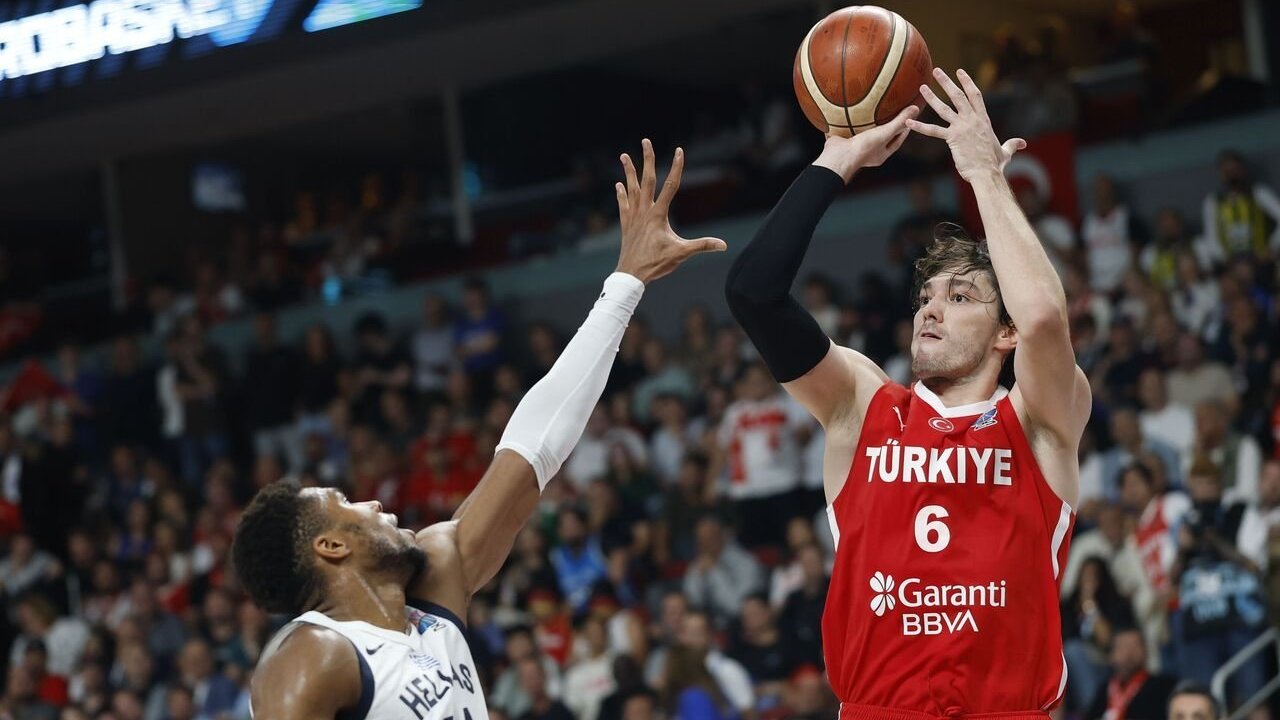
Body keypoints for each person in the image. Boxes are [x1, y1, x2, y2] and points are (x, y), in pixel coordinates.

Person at [234, 139, 725, 720]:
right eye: (346, 503)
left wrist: (626, 283)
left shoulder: (438, 582)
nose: (372, 503)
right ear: (331, 547)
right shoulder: (313, 652)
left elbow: (532, 448)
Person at [726, 68, 1089, 716]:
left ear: (1004, 332)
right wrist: (836, 161)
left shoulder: (1039, 421)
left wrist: (984, 176)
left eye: (960, 297)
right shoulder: (861, 405)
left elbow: (1042, 317)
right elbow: (753, 293)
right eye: (926, 297)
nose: (931, 310)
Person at [1084, 626, 1178, 720]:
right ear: (1111, 655)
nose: (1129, 654)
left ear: (1146, 651)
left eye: (1135, 646)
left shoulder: (1162, 687)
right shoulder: (1105, 689)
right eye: (1123, 647)